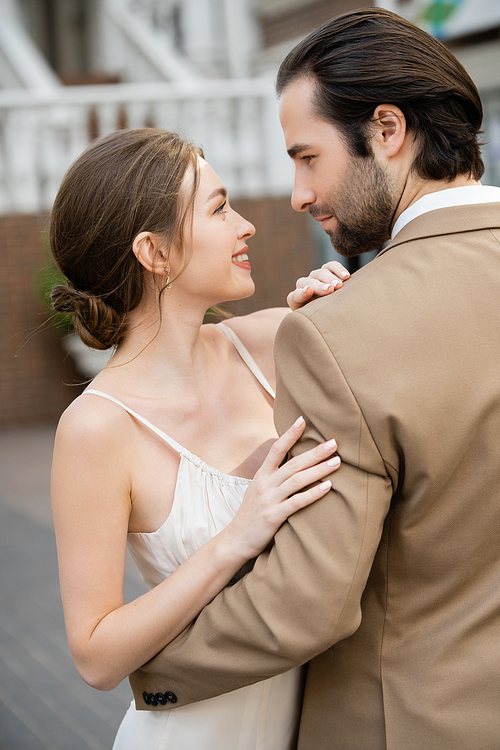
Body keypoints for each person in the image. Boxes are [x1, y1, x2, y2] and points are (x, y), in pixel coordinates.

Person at [127, 8, 500, 750]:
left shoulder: (339, 334)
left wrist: (148, 677)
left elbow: (309, 605)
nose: (297, 194)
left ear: (387, 131)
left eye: (307, 157)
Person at [49, 127, 348, 749]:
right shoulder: (96, 427)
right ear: (155, 252)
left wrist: (341, 323)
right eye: (218, 209)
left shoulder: (274, 339)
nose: (247, 226)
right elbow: (97, 657)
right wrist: (236, 538)